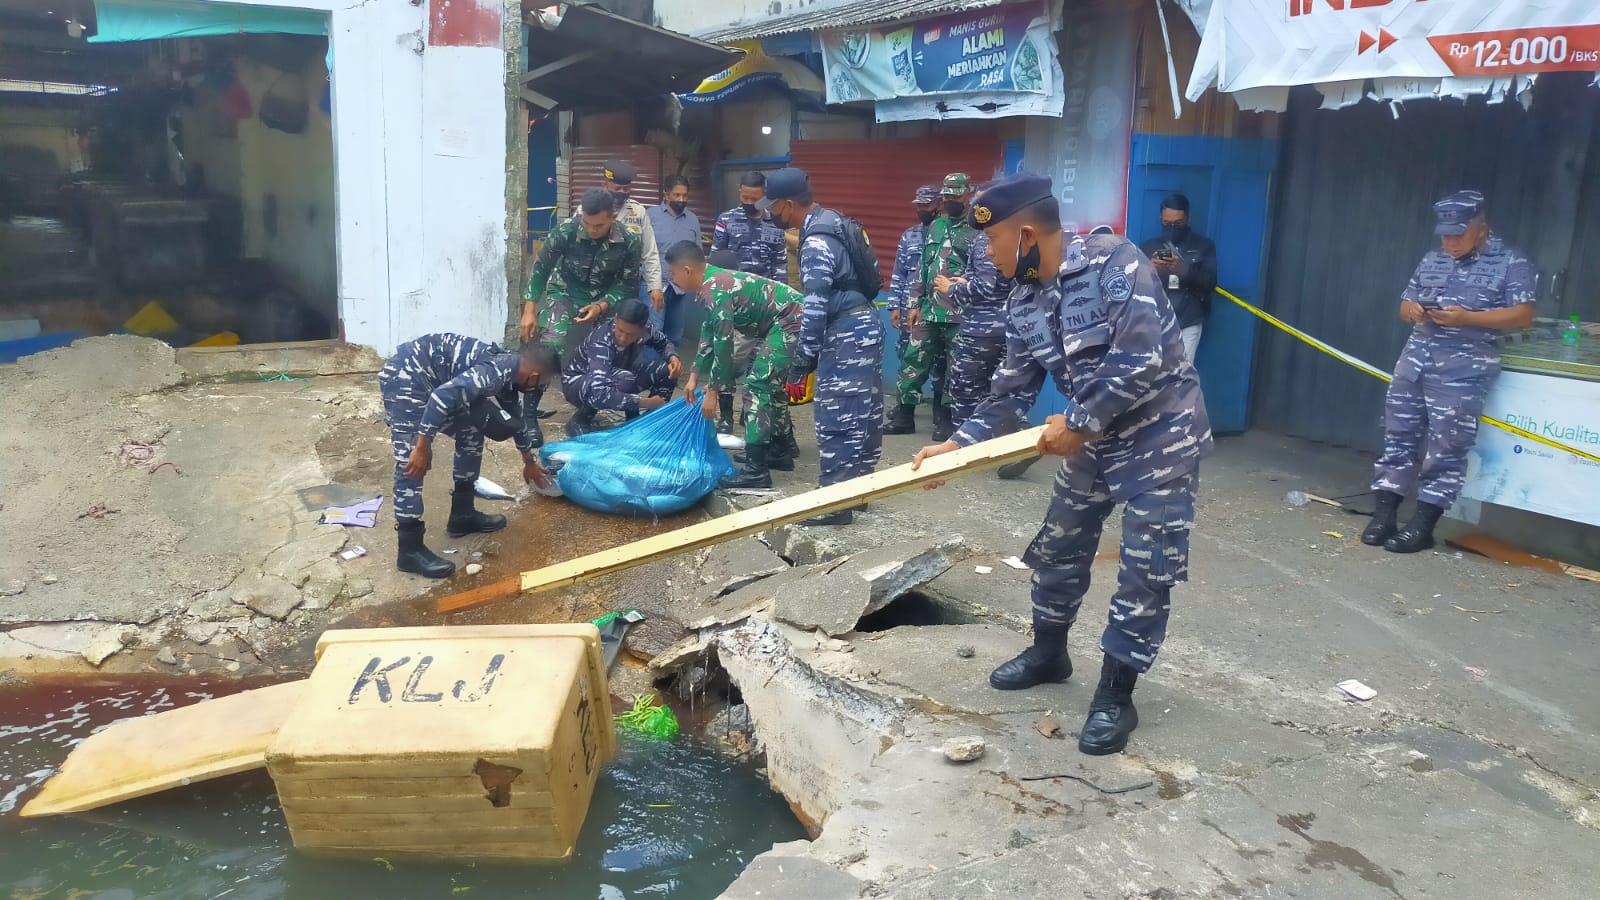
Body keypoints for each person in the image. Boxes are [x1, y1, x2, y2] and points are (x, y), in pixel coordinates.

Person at [912, 173, 1211, 756]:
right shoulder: (1023, 300)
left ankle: (1116, 694)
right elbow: (1009, 393)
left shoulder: (1114, 263)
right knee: (1059, 544)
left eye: (993, 244)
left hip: (1160, 437)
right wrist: (959, 445)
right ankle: (1049, 653)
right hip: (1089, 438)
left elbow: (1140, 357)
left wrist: (1077, 421)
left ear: (1026, 235)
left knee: (1146, 569)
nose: (990, 258)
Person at [1362, 191, 1535, 554]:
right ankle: (1384, 516)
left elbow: (1522, 316)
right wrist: (1412, 310)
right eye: (1445, 235)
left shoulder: (1511, 262)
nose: (1450, 242)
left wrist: (1468, 318)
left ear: (1480, 227)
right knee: (1398, 437)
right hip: (1414, 363)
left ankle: (1422, 526)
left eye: (1458, 234)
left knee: (1446, 448)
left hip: (1462, 370)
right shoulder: (1433, 259)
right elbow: (1404, 304)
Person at [759, 166, 884, 526]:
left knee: (838, 417)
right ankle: (859, 492)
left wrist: (802, 363)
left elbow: (814, 308)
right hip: (865, 324)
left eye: (773, 206)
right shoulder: (832, 220)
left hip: (845, 333)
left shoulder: (814, 242)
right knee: (865, 413)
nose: (771, 213)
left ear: (787, 204)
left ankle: (834, 503)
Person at [379, 334, 557, 578]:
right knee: (412, 461)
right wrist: (422, 446)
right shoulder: (495, 371)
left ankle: (462, 515)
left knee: (471, 431)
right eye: (542, 384)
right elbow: (440, 398)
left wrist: (529, 462)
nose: (538, 389)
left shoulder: (511, 376)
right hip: (407, 376)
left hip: (435, 384)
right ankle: (409, 550)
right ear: (534, 376)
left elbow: (516, 420)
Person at [668, 242, 804, 488]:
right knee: (770, 385)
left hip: (792, 319)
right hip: (787, 318)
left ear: (687, 270)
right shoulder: (710, 284)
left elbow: (724, 343)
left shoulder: (715, 289)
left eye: (674, 273)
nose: (673, 279)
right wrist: (694, 376)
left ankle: (756, 471)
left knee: (757, 386)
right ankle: (781, 449)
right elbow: (709, 332)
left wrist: (713, 391)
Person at [519, 188, 642, 442]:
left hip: (604, 300)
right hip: (565, 293)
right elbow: (542, 268)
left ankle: (584, 416)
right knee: (550, 346)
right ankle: (528, 416)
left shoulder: (629, 241)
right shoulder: (567, 230)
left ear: (613, 217)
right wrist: (529, 310)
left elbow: (628, 283)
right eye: (586, 223)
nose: (591, 230)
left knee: (607, 352)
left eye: (598, 225)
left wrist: (602, 305)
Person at [886, 173, 975, 441]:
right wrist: (914, 302)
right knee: (913, 360)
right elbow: (922, 267)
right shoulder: (936, 226)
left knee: (955, 368)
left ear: (967, 195)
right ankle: (904, 416)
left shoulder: (978, 228)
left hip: (961, 312)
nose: (949, 201)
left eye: (955, 196)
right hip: (929, 309)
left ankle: (946, 419)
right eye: (946, 196)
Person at [711, 170, 789, 431]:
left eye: (754, 199)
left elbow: (780, 267)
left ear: (764, 196)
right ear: (739, 192)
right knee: (727, 360)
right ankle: (725, 416)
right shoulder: (726, 220)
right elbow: (716, 263)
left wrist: (779, 305)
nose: (748, 202)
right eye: (744, 197)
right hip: (733, 305)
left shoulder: (775, 223)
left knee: (759, 363)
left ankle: (750, 411)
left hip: (765, 308)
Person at [561, 298, 682, 436]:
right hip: (578, 384)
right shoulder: (601, 340)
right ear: (616, 318)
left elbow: (664, 343)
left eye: (630, 334)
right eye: (620, 330)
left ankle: (648, 422)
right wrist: (646, 402)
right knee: (625, 379)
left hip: (620, 375)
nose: (623, 338)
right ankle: (580, 420)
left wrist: (673, 357)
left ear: (642, 328)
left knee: (667, 370)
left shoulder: (646, 329)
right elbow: (600, 392)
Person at [1139, 194, 1217, 363]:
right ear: (1161, 219)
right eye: (1167, 223)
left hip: (1188, 321)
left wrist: (1183, 269)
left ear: (1188, 219)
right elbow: (1135, 286)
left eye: (1178, 223)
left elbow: (1210, 283)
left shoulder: (1204, 246)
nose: (1172, 228)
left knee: (1181, 373)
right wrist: (1150, 269)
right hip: (1154, 321)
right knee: (1151, 372)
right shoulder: (1149, 247)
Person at [600, 160, 664, 317]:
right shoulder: (589, 208)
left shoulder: (638, 212)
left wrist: (655, 286)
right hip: (597, 286)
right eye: (617, 188)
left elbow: (649, 252)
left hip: (628, 288)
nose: (622, 192)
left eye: (626, 188)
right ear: (605, 185)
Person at [647, 175, 701, 345]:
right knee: (655, 333)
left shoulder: (692, 219)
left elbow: (697, 254)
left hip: (680, 288)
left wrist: (699, 283)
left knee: (675, 335)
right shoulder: (650, 216)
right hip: (655, 286)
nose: (681, 200)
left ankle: (671, 362)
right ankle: (652, 363)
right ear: (666, 194)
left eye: (685, 195)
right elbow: (643, 251)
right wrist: (652, 285)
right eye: (677, 195)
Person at [890, 184, 941, 363]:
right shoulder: (909, 235)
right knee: (907, 356)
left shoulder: (948, 235)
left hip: (937, 309)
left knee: (938, 360)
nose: (921, 210)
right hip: (908, 308)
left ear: (939, 204)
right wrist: (894, 306)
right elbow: (899, 272)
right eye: (919, 206)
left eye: (926, 205)